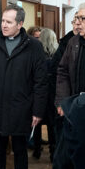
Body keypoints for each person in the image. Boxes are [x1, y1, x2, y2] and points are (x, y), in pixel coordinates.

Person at [0, 4, 48, 169]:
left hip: (21, 108)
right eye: (2, 21)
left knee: (20, 149)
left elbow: (41, 82)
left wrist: (38, 111)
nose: (4, 25)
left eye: (9, 22)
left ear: (20, 24)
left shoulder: (34, 46)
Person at [30, 28, 58, 161]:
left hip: (39, 95)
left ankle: (37, 150)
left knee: (37, 123)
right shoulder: (58, 57)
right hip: (53, 95)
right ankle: (53, 152)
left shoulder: (36, 56)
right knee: (52, 125)